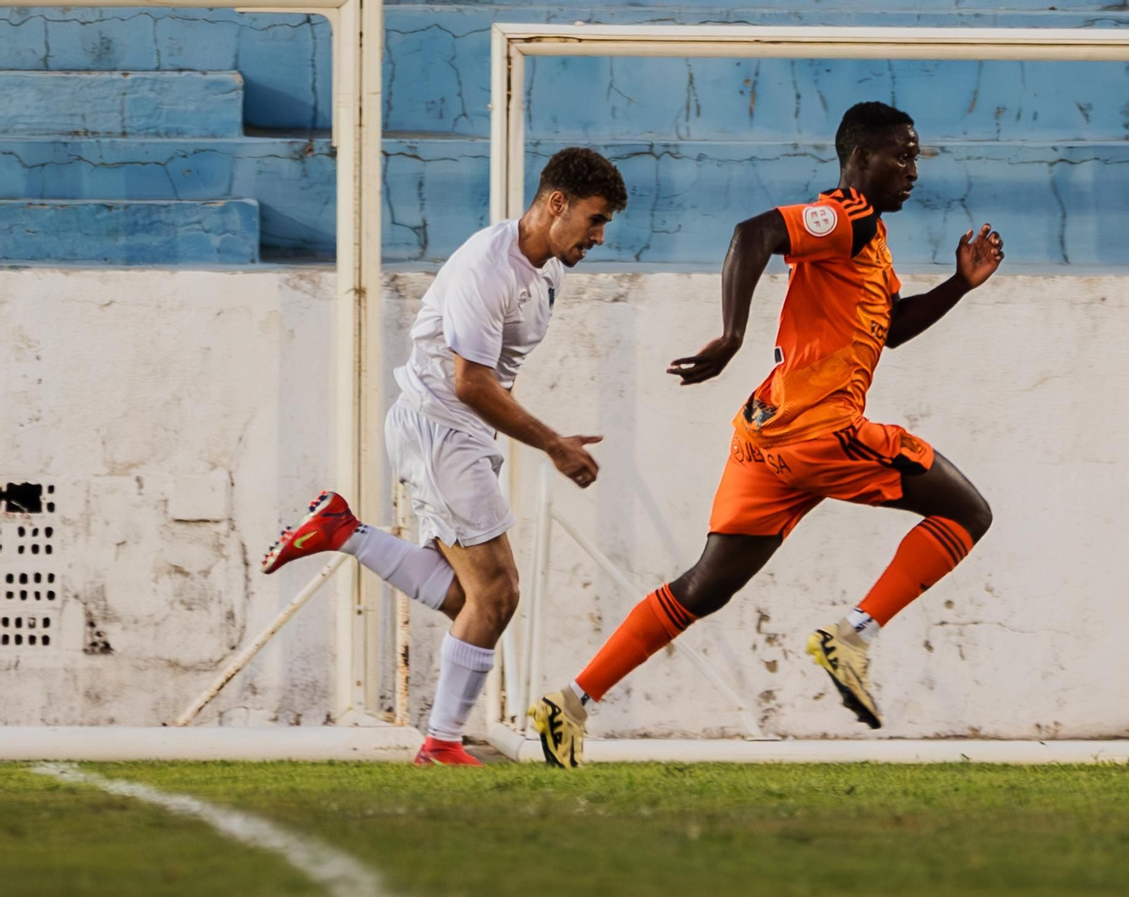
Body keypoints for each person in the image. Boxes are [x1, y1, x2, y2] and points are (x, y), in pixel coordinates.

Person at [531, 102, 1004, 768]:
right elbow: (755, 232)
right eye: (903, 155)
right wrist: (731, 335)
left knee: (703, 587)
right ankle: (853, 636)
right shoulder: (845, 215)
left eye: (917, 157)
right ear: (861, 157)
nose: (913, 170)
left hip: (768, 439)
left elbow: (890, 327)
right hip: (821, 433)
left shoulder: (867, 240)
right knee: (969, 512)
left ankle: (571, 702)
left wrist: (960, 283)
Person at [260, 148, 628, 766]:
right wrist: (552, 445)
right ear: (556, 203)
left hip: (464, 434)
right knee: (498, 594)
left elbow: (491, 383)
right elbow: (470, 383)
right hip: (439, 427)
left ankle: (343, 530)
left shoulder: (548, 270)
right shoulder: (489, 267)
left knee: (472, 599)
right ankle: (440, 742)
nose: (598, 236)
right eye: (594, 220)